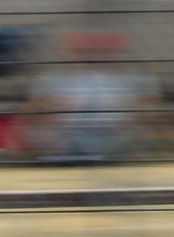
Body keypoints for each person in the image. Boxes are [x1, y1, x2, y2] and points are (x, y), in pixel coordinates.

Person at [29, 30, 157, 163]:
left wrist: (126, 107)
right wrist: (57, 108)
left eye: (108, 53)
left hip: (114, 133)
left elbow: (151, 111)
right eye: (82, 53)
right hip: (66, 133)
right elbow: (36, 109)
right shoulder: (50, 79)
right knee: (44, 134)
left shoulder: (138, 79)